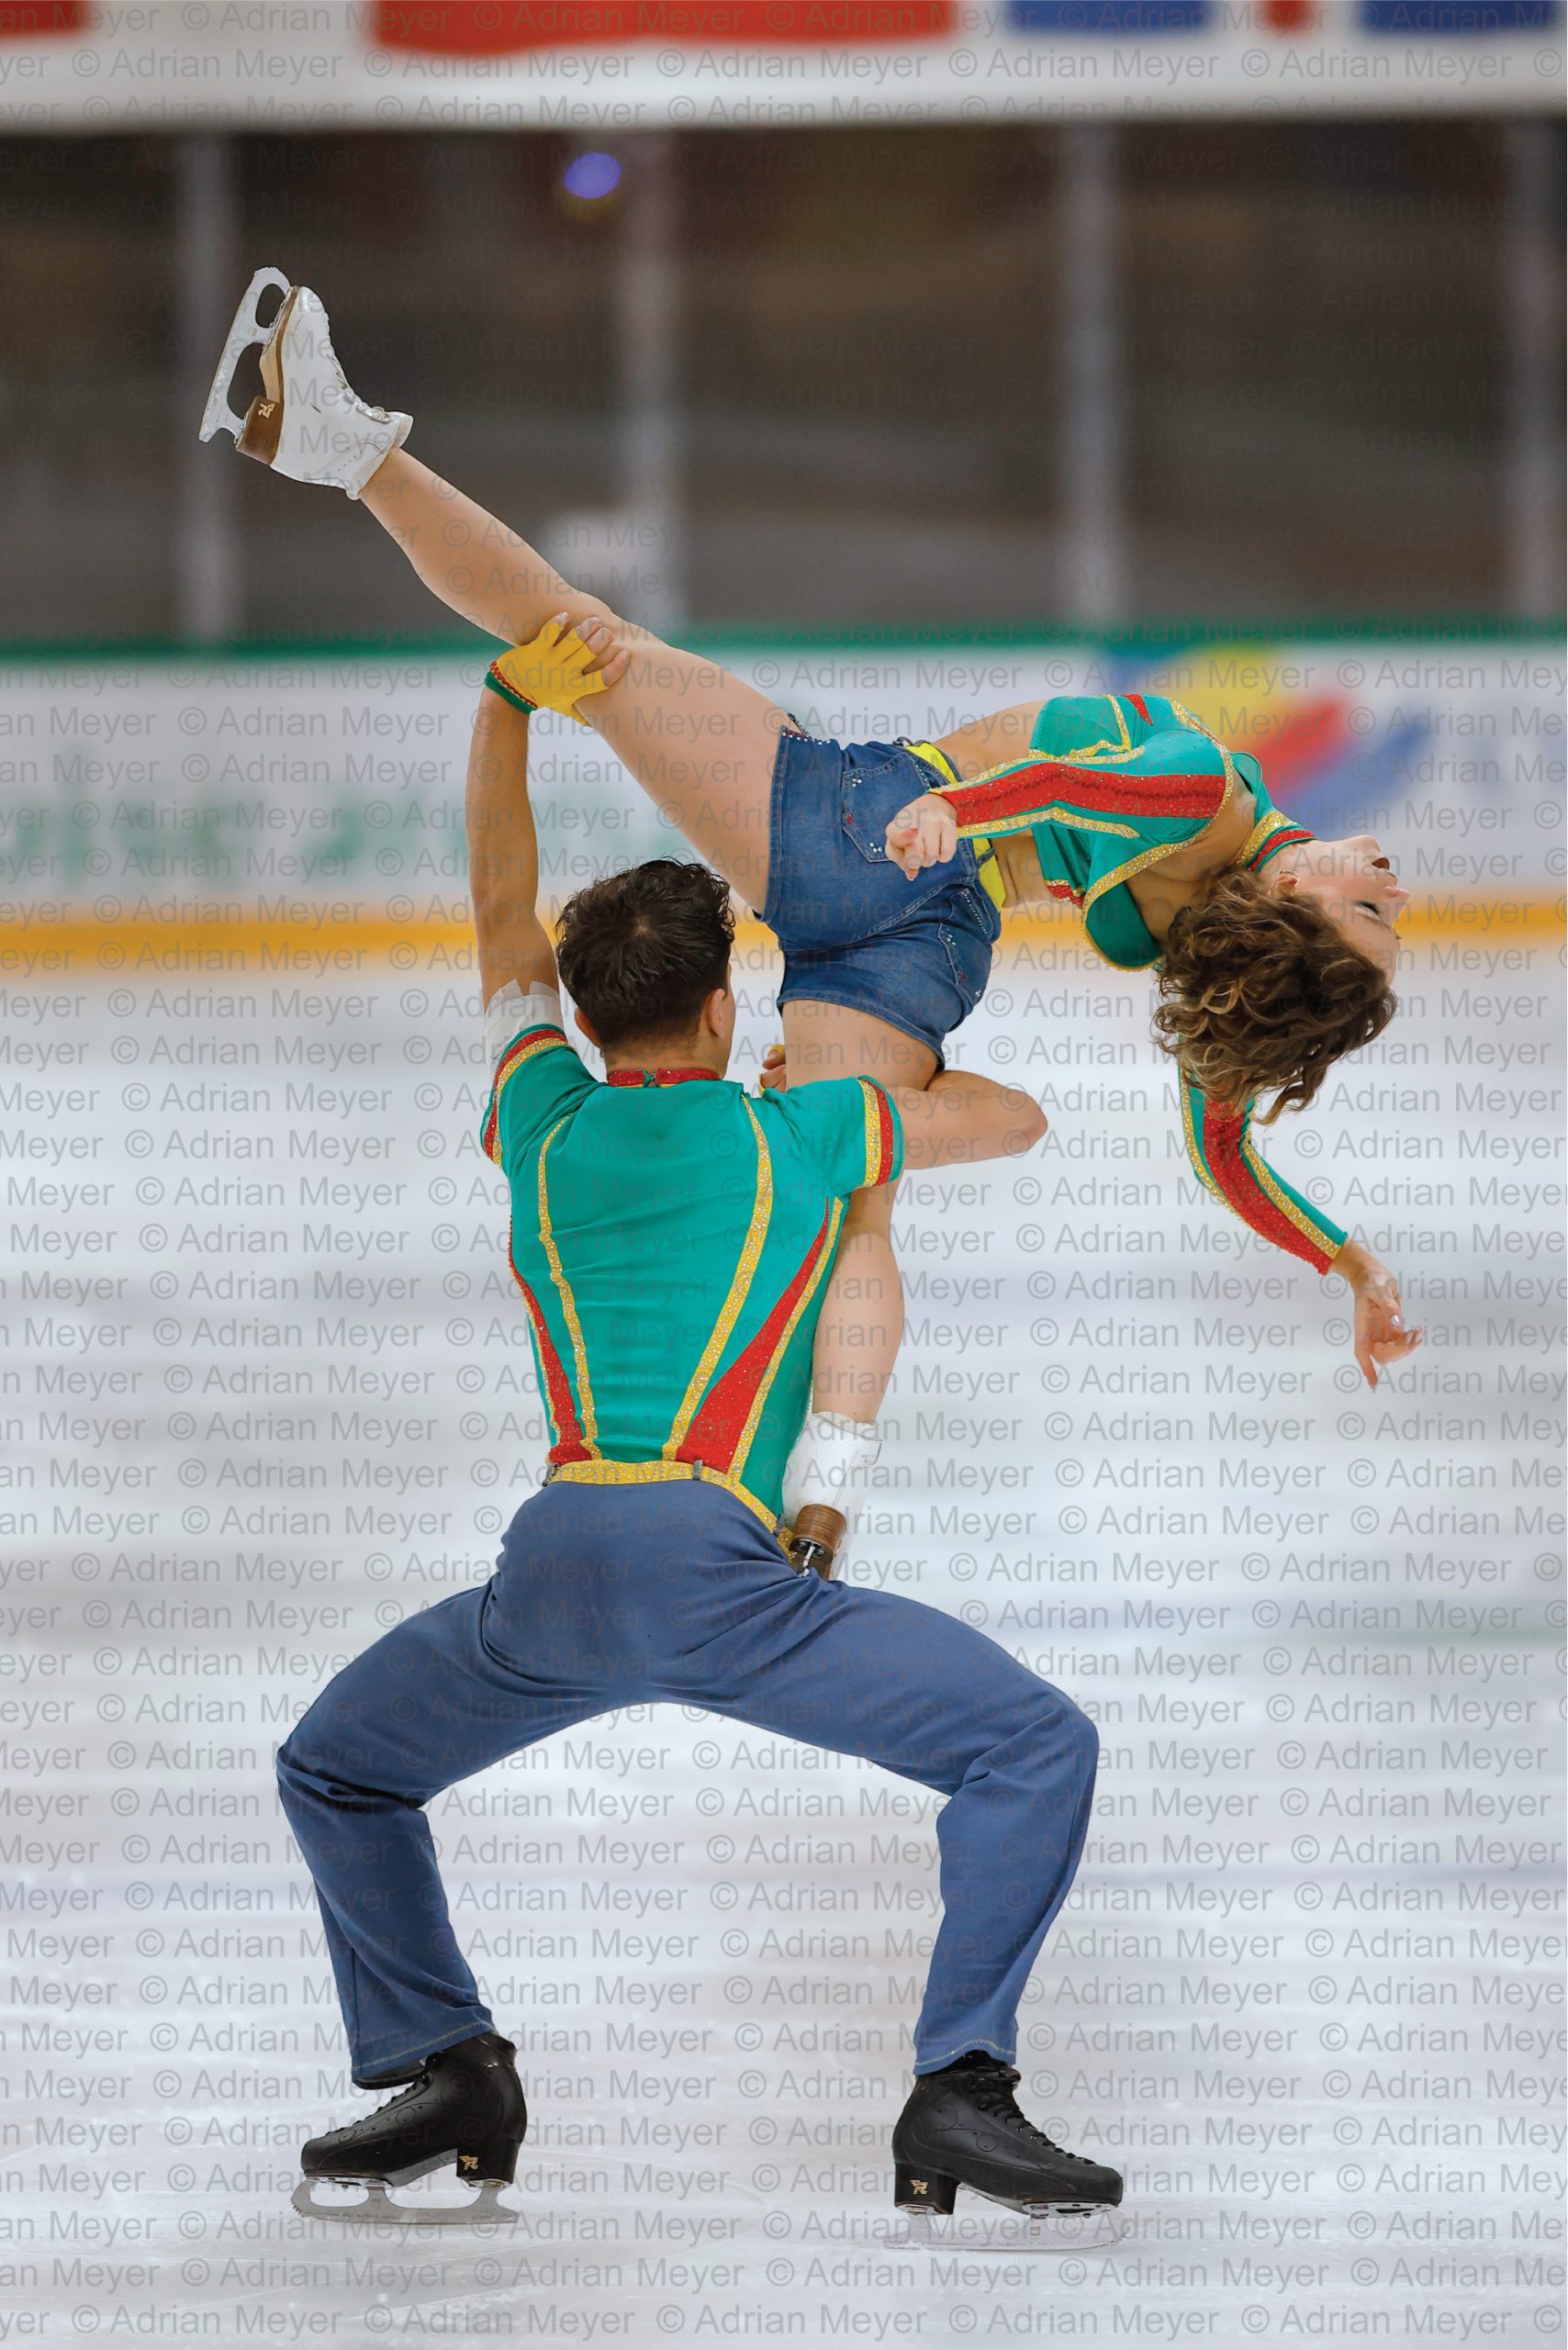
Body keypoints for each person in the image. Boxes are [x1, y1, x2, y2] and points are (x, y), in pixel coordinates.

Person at [201, 270, 1420, 1395]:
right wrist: (1346, 1261)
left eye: (1366, 910)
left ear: (1289, 912)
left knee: (577, 639)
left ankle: (342, 446)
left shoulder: (1207, 790)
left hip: (868, 827)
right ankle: (818, 1499)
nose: (1390, 883)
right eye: (1386, 907)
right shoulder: (1216, 935)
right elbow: (1225, 1159)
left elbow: (1068, 787)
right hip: (924, 959)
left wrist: (952, 808)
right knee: (855, 1216)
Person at [274, 638, 1121, 2236]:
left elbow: (496, 909)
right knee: (1031, 1748)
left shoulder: (539, 1112)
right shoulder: (800, 1127)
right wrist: (844, 1074)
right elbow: (1013, 1122)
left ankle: (448, 2064)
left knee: (338, 1768)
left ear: (588, 1014)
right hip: (724, 1576)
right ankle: (960, 2090)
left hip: (548, 1576)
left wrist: (504, 713)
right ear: (733, 1005)